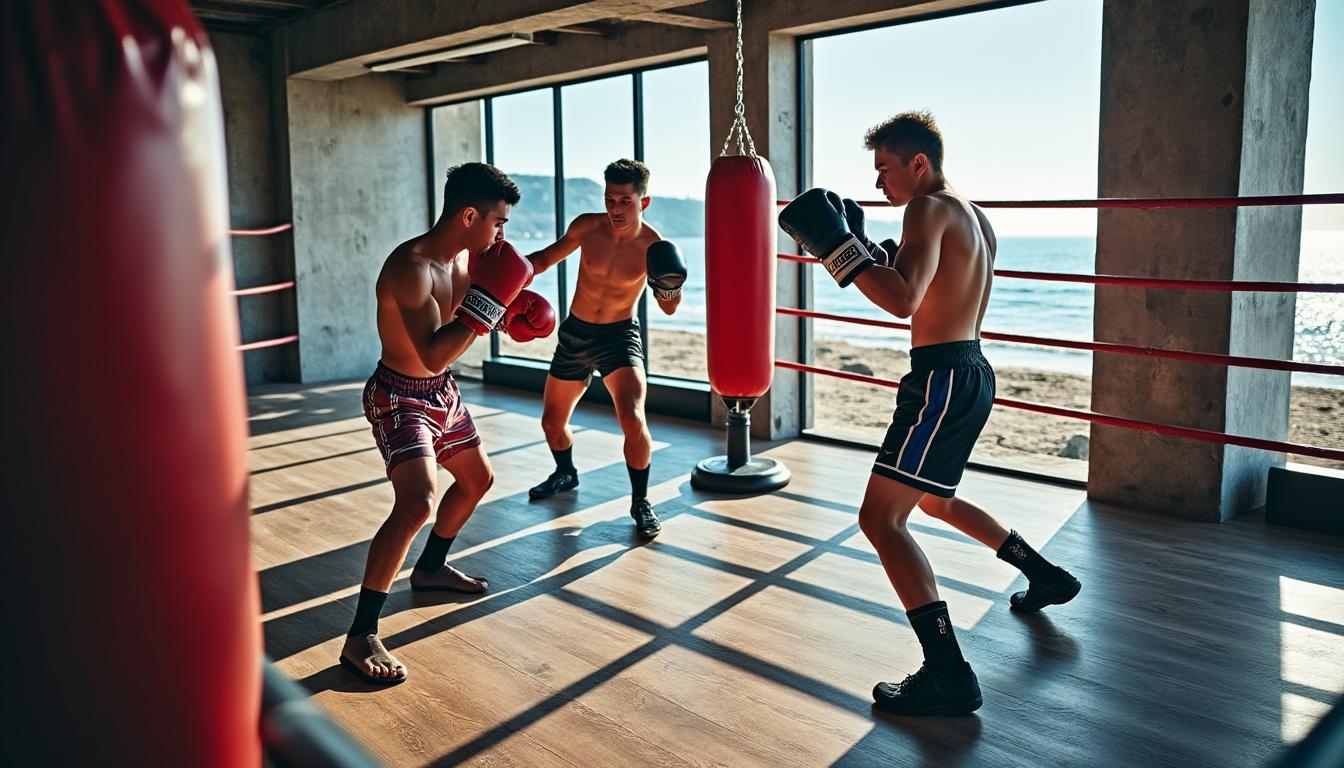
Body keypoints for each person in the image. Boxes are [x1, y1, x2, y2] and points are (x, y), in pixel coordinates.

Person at [779, 111, 1081, 716]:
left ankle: (947, 672)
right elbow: (930, 287)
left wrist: (841, 249)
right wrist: (867, 252)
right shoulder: (972, 215)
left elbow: (902, 301)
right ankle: (1044, 574)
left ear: (919, 163)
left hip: (940, 379)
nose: (879, 185)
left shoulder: (926, 209)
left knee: (881, 520)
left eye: (886, 169)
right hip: (971, 370)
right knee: (933, 497)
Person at [341, 162, 556, 685]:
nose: (501, 233)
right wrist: (489, 306)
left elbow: (461, 319)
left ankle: (431, 568)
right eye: (498, 222)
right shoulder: (408, 268)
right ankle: (360, 634)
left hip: (442, 393)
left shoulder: (464, 259)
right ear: (469, 214)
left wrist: (505, 310)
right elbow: (436, 352)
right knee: (416, 501)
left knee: (478, 479)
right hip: (400, 396)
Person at [523, 159, 688, 540]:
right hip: (576, 334)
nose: (614, 209)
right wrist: (507, 274)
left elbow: (668, 308)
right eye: (609, 199)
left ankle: (641, 500)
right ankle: (565, 472)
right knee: (551, 423)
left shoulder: (653, 246)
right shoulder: (586, 226)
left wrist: (670, 285)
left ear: (643, 203)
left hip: (619, 337)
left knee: (632, 418)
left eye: (624, 201)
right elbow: (545, 258)